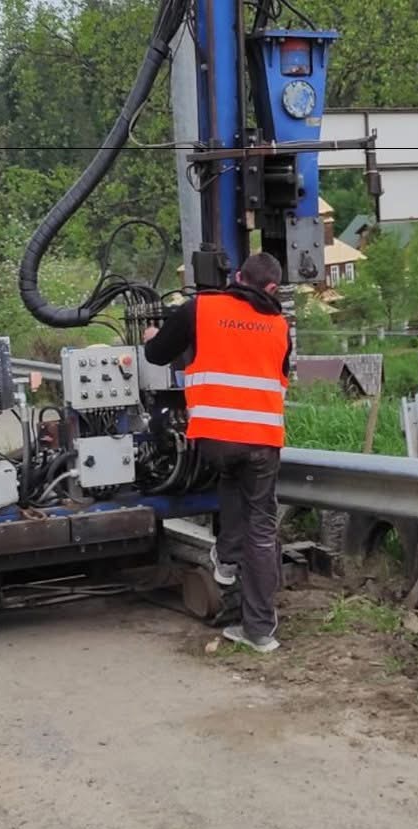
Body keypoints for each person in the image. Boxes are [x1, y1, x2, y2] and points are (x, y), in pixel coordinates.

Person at [143, 252, 291, 653]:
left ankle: (225, 559)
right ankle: (259, 631)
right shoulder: (280, 325)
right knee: (262, 529)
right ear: (272, 288)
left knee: (229, 478)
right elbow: (281, 376)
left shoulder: (201, 308)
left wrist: (153, 337)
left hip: (216, 439)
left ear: (238, 277)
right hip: (262, 440)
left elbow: (156, 355)